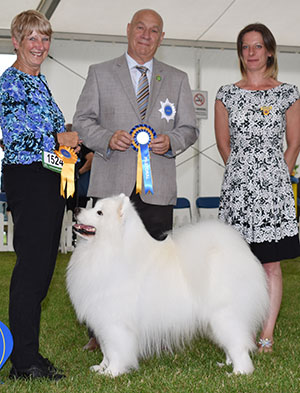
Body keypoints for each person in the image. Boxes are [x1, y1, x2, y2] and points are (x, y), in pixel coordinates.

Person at [73, 8, 198, 350]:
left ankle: (147, 329)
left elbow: (190, 128)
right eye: (140, 28)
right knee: (101, 261)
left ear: (162, 37)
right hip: (110, 188)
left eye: (154, 30)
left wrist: (171, 141)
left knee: (156, 264)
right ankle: (100, 334)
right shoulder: (99, 73)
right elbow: (82, 121)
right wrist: (106, 138)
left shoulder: (177, 78)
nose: (146, 35)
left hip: (157, 189)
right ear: (128, 30)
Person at [0, 10, 80, 380]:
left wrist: (70, 147)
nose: (39, 45)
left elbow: (50, 135)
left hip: (48, 179)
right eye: (31, 38)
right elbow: (15, 139)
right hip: (27, 179)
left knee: (43, 268)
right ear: (15, 41)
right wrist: (57, 139)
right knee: (31, 270)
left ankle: (29, 354)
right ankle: (24, 362)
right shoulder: (10, 83)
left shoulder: (40, 82)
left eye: (44, 39)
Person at [215, 23, 300, 353]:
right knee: (236, 263)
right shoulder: (226, 94)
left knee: (270, 265)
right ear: (240, 53)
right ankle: (241, 329)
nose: (250, 53)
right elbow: (223, 144)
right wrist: (241, 172)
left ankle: (266, 333)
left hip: (274, 190)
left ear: (269, 51)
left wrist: (278, 171)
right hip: (238, 190)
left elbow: (294, 142)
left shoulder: (288, 93)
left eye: (256, 46)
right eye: (245, 47)